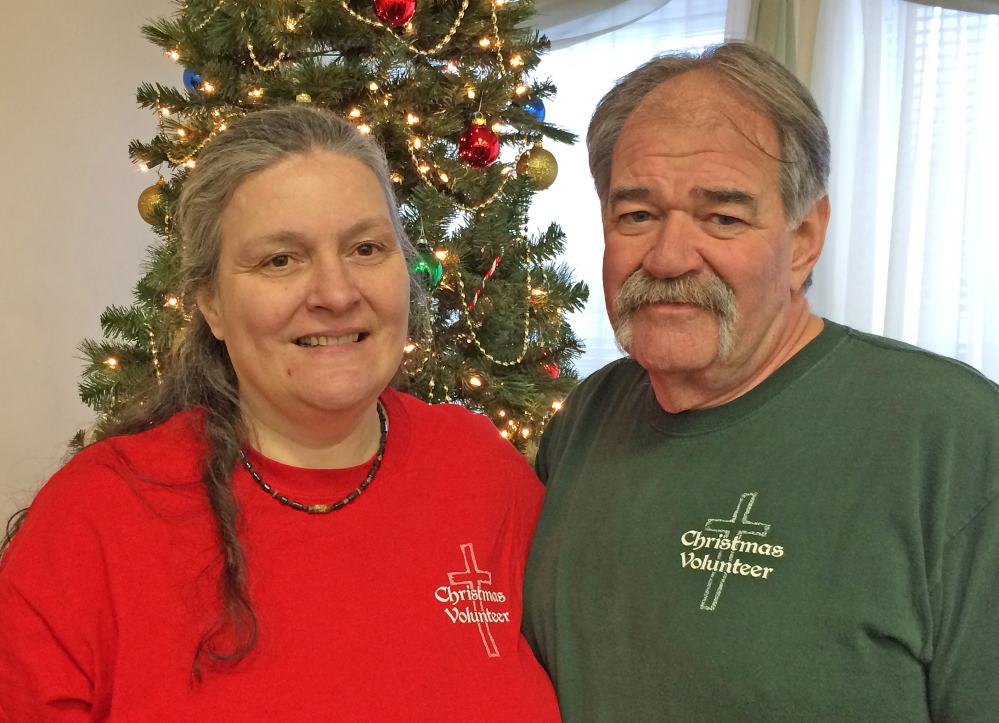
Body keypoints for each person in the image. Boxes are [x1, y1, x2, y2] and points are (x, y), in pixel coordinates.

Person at [0, 106, 561, 721]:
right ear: (210, 303)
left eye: (366, 248)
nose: (336, 293)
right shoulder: (96, 518)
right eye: (280, 260)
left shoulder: (480, 468)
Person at [522, 42, 999, 722]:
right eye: (636, 214)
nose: (667, 256)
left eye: (722, 216)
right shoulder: (585, 418)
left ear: (803, 238)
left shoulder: (953, 438)